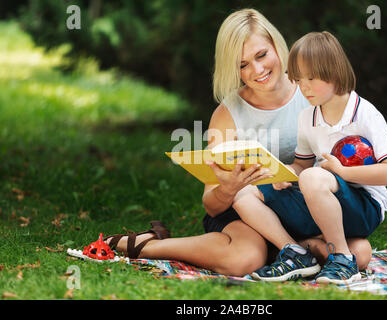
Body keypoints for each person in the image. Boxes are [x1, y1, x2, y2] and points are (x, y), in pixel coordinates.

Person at [104, 9, 373, 277]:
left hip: (299, 206)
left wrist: (372, 134)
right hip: (243, 209)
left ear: (277, 46)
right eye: (242, 65)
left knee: (360, 254)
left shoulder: (314, 90)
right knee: (244, 259)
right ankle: (148, 246)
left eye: (261, 55)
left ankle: (289, 250)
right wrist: (229, 189)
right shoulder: (227, 113)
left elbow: (353, 135)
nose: (257, 70)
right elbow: (211, 203)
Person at [236, 31, 387, 284]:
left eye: (311, 78)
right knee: (245, 193)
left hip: (365, 206)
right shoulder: (308, 117)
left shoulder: (366, 114)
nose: (305, 87)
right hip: (323, 198)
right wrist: (282, 174)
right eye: (299, 79)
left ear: (334, 73)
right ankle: (295, 253)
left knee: (314, 177)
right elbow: (301, 165)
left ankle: (343, 259)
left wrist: (342, 172)